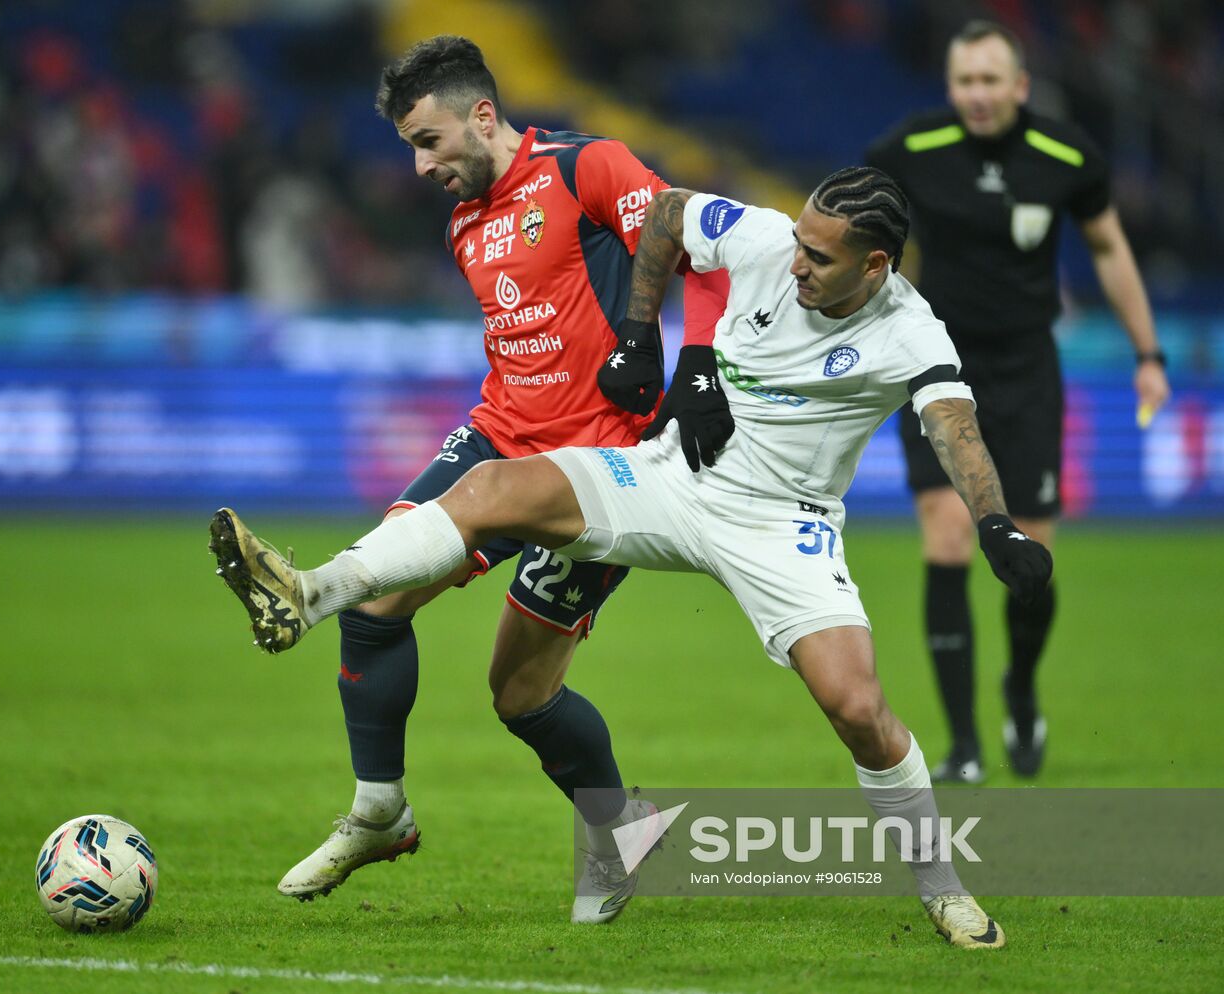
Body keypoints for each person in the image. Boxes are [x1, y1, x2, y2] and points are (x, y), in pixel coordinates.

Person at [208, 166, 1053, 949]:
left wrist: (995, 525)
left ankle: (941, 885)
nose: (795, 263)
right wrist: (647, 335)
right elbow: (670, 213)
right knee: (496, 492)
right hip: (668, 474)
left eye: (819, 257)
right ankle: (314, 590)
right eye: (797, 242)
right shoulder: (764, 241)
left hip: (782, 524)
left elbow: (955, 429)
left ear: (875, 268)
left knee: (858, 708)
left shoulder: (910, 329)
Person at [212, 35, 728, 924]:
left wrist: (696, 364)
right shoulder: (464, 223)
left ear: (482, 115)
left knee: (519, 694)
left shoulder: (587, 168)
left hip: (598, 472)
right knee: (378, 609)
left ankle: (621, 830)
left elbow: (702, 243)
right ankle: (379, 809)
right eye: (410, 147)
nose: (419, 166)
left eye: (429, 140)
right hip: (497, 436)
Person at [865, 20, 1171, 783]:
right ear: (950, 86)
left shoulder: (1067, 156)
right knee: (946, 539)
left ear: (1020, 86)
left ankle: (1021, 690)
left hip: (1029, 370)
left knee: (1030, 557)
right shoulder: (912, 148)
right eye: (964, 81)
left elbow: (1108, 248)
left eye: (990, 81)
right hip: (936, 367)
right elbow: (851, 224)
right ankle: (964, 745)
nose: (976, 95)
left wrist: (1149, 354)